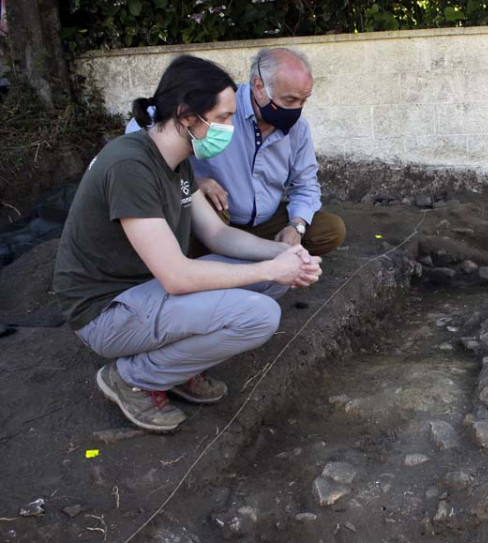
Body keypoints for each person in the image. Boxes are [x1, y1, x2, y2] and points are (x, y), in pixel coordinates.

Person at [54, 55, 322, 432]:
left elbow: (218, 234)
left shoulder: (178, 162)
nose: (230, 128)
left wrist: (285, 254)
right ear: (186, 115)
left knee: (278, 279)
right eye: (224, 118)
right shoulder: (130, 165)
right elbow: (177, 277)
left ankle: (175, 366)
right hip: (106, 311)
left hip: (146, 293)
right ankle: (134, 377)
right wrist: (270, 266)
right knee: (260, 316)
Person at [126, 47, 345, 257]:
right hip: (219, 217)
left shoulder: (298, 128)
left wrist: (296, 226)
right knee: (206, 210)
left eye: (303, 101)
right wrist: (193, 182)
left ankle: (253, 253)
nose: (297, 109)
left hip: (266, 222)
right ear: (259, 86)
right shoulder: (222, 102)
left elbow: (306, 183)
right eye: (289, 100)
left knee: (331, 229)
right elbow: (149, 121)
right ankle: (216, 263)